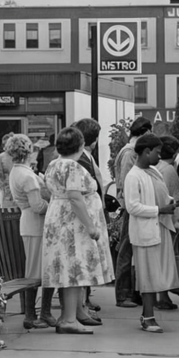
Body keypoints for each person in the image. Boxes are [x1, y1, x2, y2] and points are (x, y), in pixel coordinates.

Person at [42, 127, 115, 334]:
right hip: (72, 224)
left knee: (65, 268)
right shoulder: (73, 167)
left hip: (57, 218)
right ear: (81, 146)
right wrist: (91, 226)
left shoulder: (54, 164)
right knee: (74, 269)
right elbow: (75, 197)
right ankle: (68, 320)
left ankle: (71, 315)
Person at [124, 134, 178, 333]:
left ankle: (149, 315)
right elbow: (133, 207)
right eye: (157, 152)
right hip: (146, 233)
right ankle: (148, 317)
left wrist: (170, 202)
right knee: (148, 276)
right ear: (146, 152)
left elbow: (160, 193)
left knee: (159, 274)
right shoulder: (133, 176)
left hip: (160, 227)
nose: (159, 155)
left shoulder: (154, 170)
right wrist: (159, 210)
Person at [5, 134, 57, 330]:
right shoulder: (27, 176)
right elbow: (37, 206)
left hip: (28, 222)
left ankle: (38, 313)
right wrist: (53, 204)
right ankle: (34, 314)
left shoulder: (17, 172)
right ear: (28, 152)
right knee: (37, 270)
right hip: (36, 223)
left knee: (37, 269)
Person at [113, 116, 153, 308]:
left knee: (129, 249)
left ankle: (130, 292)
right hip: (131, 207)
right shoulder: (130, 153)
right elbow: (126, 182)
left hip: (131, 206)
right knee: (126, 249)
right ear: (144, 132)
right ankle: (123, 294)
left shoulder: (129, 151)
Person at [72, 117, 107, 313]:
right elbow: (77, 195)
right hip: (85, 217)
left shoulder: (86, 157)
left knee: (88, 257)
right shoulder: (80, 160)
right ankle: (81, 305)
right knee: (84, 257)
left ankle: (84, 300)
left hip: (91, 213)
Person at [153, 135, 179, 311]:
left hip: (152, 218)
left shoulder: (151, 168)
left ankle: (157, 296)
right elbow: (177, 197)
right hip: (167, 218)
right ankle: (163, 296)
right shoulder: (169, 169)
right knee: (166, 259)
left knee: (156, 260)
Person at [0, 132, 16, 208]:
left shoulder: (19, 155)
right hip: (7, 191)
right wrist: (4, 185)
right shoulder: (1, 157)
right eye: (4, 144)